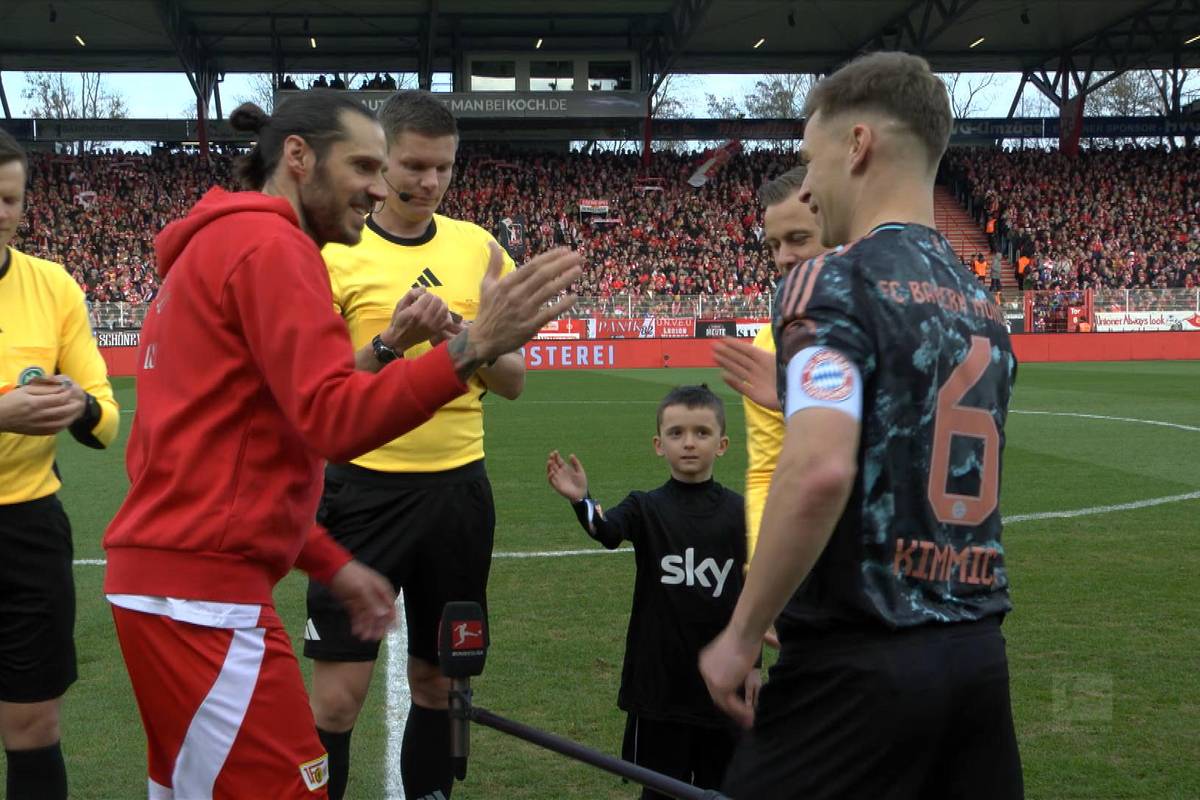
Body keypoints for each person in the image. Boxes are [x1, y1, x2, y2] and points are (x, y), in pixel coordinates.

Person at [101, 92, 580, 800]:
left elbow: (260, 442)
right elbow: (330, 420)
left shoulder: (220, 244)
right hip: (203, 594)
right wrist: (469, 345)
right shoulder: (273, 249)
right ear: (298, 157)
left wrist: (330, 562)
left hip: (176, 580)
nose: (382, 187)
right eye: (366, 165)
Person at [700, 52, 1023, 800]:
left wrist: (741, 635)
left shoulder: (831, 279)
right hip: (976, 659)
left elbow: (819, 471)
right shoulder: (982, 304)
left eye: (811, 161)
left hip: (859, 670)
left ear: (857, 146)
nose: (806, 188)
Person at [305, 89, 524, 800]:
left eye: (444, 170)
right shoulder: (336, 248)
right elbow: (322, 387)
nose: (428, 183)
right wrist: (391, 342)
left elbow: (514, 379)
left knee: (436, 687)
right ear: (382, 159)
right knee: (336, 698)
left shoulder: (480, 249)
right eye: (414, 166)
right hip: (359, 492)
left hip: (456, 492)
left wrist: (456, 338)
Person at [546, 385, 758, 799]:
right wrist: (582, 500)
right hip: (659, 685)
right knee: (660, 791)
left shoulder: (740, 512)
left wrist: (753, 665)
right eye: (677, 434)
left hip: (723, 685)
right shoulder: (646, 506)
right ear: (659, 445)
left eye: (702, 432)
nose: (689, 443)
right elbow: (606, 532)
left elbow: (750, 596)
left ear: (723, 444)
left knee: (724, 789)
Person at [0, 130, 119, 800]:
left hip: (29, 531)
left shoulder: (53, 286)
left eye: (8, 198)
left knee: (34, 721)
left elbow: (105, 421)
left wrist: (74, 404)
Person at [713, 165, 830, 565]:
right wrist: (761, 564)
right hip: (806, 574)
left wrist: (794, 395)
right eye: (773, 246)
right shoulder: (768, 344)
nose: (783, 259)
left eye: (798, 240)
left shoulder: (898, 315)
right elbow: (767, 472)